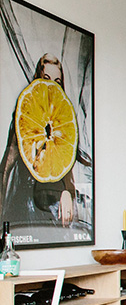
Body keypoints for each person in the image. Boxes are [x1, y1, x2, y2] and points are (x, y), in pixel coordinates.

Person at [1, 53, 77, 228]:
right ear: (37, 79)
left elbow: (65, 161)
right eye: (46, 78)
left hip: (53, 204)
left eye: (57, 81)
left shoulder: (63, 119)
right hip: (26, 203)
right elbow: (6, 167)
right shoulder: (25, 116)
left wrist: (68, 192)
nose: (51, 85)